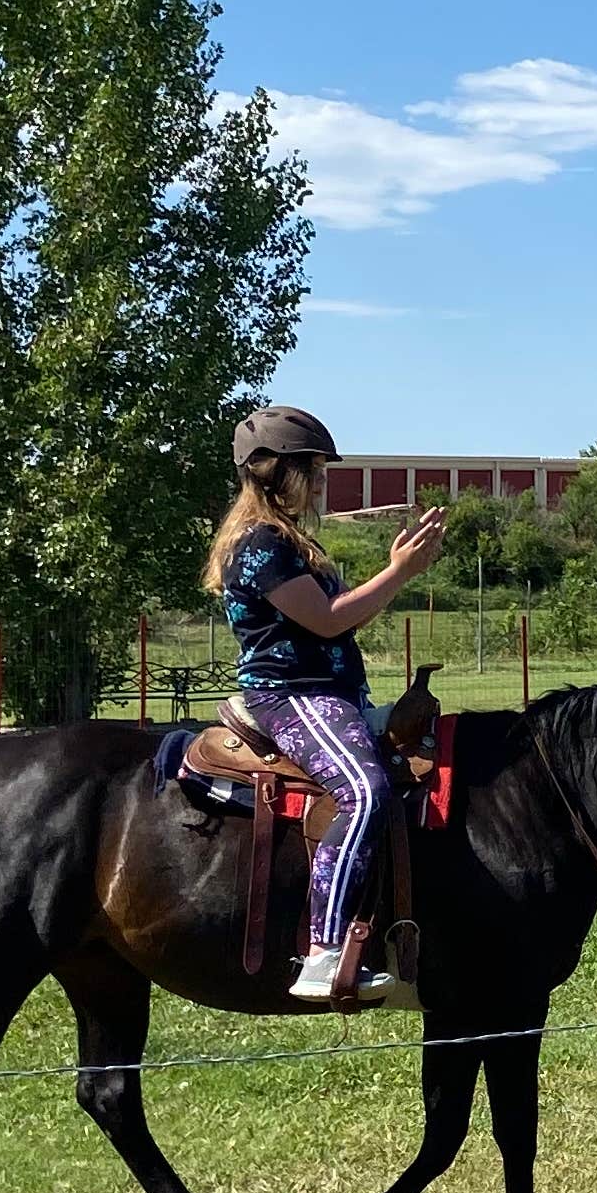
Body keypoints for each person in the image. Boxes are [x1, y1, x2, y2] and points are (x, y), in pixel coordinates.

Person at [208, 406, 444, 1005]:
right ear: (271, 471)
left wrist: (393, 576)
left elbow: (344, 617)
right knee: (363, 792)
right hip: (291, 697)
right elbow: (329, 618)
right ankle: (324, 951)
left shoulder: (290, 541)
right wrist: (399, 572)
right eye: (310, 469)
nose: (320, 481)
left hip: (332, 694)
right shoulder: (260, 544)